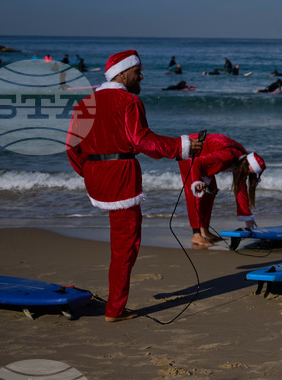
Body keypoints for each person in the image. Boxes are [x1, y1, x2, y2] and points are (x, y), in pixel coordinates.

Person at [66, 50, 200, 322]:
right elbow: (142, 140)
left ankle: (115, 305)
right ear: (123, 73)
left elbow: (72, 146)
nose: (141, 76)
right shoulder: (129, 101)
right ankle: (114, 310)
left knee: (121, 243)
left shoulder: (85, 103)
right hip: (121, 178)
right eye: (138, 71)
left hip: (97, 176)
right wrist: (182, 147)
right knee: (125, 245)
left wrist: (90, 172)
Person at [179, 134, 265, 246]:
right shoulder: (227, 156)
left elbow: (241, 189)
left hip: (203, 157)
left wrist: (247, 217)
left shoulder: (242, 161)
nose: (248, 175)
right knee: (197, 194)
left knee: (211, 191)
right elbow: (196, 163)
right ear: (247, 164)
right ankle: (196, 235)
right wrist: (196, 182)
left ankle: (204, 231)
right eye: (250, 173)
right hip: (190, 153)